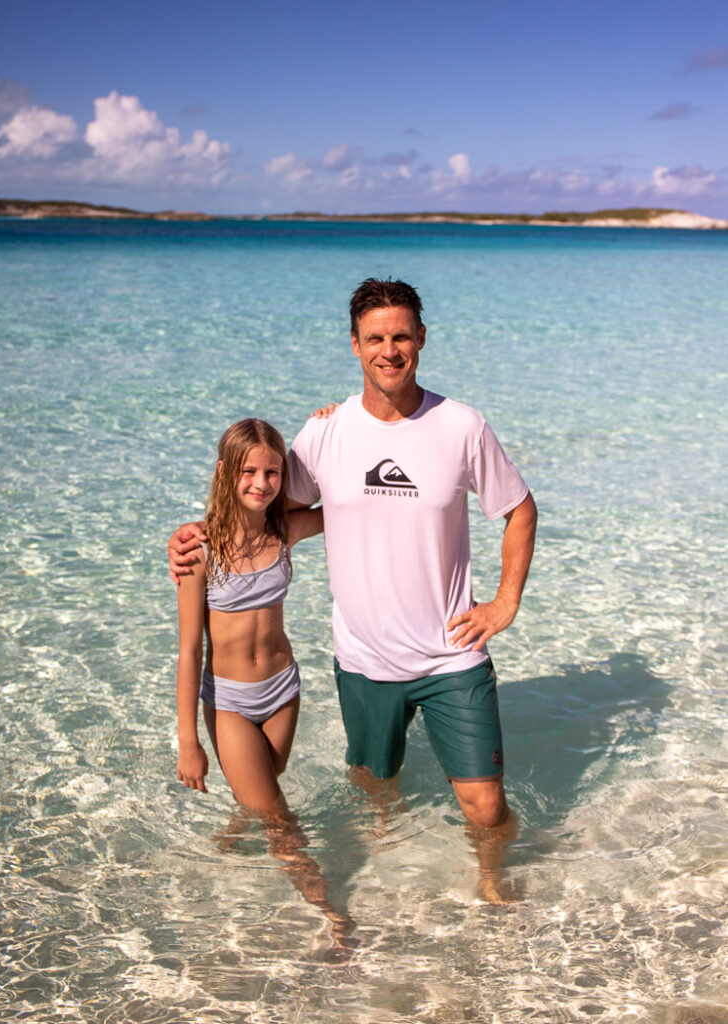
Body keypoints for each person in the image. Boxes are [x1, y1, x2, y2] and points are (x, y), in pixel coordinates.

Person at [169, 280, 537, 892]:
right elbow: (264, 513)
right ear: (355, 345)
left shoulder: (462, 426)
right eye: (375, 338)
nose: (388, 350)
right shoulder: (326, 433)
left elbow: (519, 509)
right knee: (374, 790)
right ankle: (391, 883)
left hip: (452, 654)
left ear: (420, 339)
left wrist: (504, 603)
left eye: (400, 336)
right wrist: (197, 535)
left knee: (485, 804)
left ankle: (495, 887)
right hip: (364, 660)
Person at [175, 417, 353, 952]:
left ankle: (233, 829)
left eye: (272, 472)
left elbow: (349, 506)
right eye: (249, 471)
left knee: (262, 793)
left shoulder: (283, 530)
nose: (261, 482)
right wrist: (189, 741)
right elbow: (189, 651)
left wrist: (335, 420)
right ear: (225, 472)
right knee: (279, 820)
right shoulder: (198, 551)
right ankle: (333, 915)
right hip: (229, 701)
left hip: (282, 692)